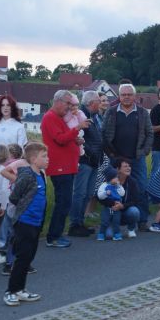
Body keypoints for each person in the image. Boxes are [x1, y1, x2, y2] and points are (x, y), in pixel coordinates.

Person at [41, 90, 90, 248]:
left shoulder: (58, 118)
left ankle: (56, 234)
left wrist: (76, 140)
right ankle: (53, 237)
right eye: (68, 103)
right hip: (60, 167)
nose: (70, 107)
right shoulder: (50, 117)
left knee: (65, 202)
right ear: (58, 101)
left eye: (71, 104)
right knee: (63, 202)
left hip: (67, 166)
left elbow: (65, 137)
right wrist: (78, 128)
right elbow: (60, 139)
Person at [102, 83, 153, 231]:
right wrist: (111, 154)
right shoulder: (111, 112)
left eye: (129, 94)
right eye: (123, 95)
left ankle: (142, 220)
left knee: (141, 188)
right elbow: (103, 134)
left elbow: (150, 133)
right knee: (111, 189)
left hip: (136, 158)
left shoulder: (142, 113)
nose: (126, 97)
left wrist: (144, 151)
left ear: (134, 96)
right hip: (115, 159)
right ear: (119, 96)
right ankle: (110, 222)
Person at [4, 142, 49, 306]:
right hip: (24, 222)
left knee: (28, 257)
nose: (47, 159)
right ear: (33, 159)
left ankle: (20, 289)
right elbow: (14, 197)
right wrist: (23, 211)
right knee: (22, 257)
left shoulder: (41, 174)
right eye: (44, 156)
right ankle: (11, 291)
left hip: (36, 223)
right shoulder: (27, 175)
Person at [68, 91, 103, 237]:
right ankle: (74, 224)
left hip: (93, 160)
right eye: (98, 101)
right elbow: (78, 138)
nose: (100, 104)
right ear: (91, 103)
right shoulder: (80, 115)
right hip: (85, 160)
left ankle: (80, 223)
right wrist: (90, 152)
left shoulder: (93, 116)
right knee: (80, 193)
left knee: (88, 193)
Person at [96, 167, 126, 241]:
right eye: (116, 177)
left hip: (116, 207)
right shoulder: (104, 185)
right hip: (107, 207)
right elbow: (100, 196)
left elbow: (122, 193)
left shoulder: (117, 185)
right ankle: (101, 234)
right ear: (110, 178)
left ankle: (117, 234)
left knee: (116, 221)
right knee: (105, 221)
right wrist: (105, 193)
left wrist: (119, 186)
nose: (117, 179)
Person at [114, 158, 141, 238]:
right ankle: (113, 228)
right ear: (118, 169)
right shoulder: (111, 181)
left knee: (134, 211)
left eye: (129, 166)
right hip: (113, 210)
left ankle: (131, 229)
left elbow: (136, 200)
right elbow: (102, 197)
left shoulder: (133, 182)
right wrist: (113, 204)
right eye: (125, 166)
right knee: (109, 235)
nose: (128, 168)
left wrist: (123, 206)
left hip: (126, 210)